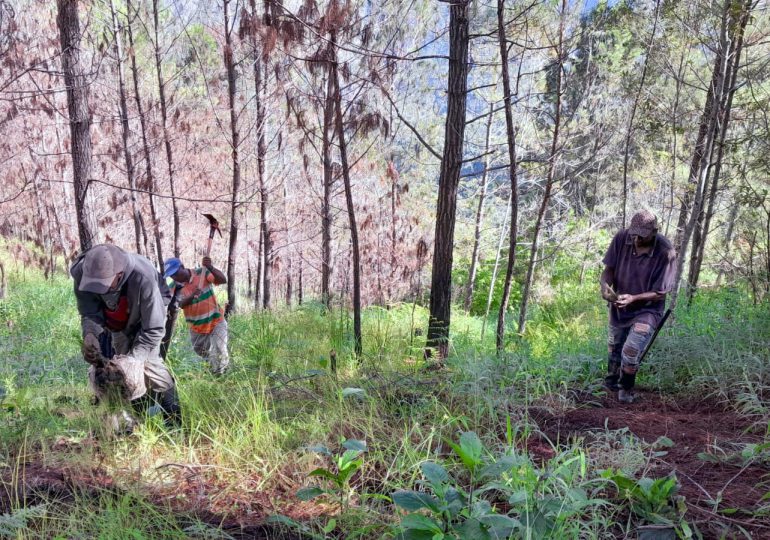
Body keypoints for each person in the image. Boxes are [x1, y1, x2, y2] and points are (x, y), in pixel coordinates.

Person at [71, 244, 181, 427]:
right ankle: (140, 419)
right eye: (94, 286)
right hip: (119, 320)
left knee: (150, 366)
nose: (98, 291)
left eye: (103, 285)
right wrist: (90, 334)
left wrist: (134, 360)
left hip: (151, 312)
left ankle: (175, 424)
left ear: (120, 276)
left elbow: (153, 328)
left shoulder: (143, 277)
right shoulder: (82, 272)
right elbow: (89, 312)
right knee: (123, 371)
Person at [600, 210, 677, 403]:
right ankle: (610, 387)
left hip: (648, 309)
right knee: (614, 348)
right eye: (633, 234)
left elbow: (661, 292)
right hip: (620, 306)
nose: (636, 240)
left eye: (641, 236)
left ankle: (625, 391)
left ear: (654, 232)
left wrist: (633, 298)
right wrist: (605, 286)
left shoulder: (665, 251)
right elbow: (608, 270)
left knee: (631, 348)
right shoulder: (621, 238)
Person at [163, 256, 229, 375]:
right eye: (171, 275)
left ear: (182, 267)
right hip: (196, 327)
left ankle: (220, 376)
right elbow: (178, 305)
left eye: (175, 273)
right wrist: (192, 295)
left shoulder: (201, 273)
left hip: (216, 320)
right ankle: (212, 368)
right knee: (201, 351)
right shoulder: (174, 286)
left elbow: (222, 280)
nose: (174, 277)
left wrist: (210, 267)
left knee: (219, 349)